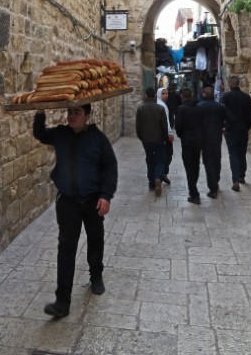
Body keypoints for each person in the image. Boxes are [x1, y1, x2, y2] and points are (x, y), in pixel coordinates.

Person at [33, 103, 118, 319]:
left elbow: (111, 167)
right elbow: (40, 134)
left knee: (95, 239)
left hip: (93, 202)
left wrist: (106, 196)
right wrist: (40, 112)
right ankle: (62, 301)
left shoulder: (98, 139)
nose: (72, 116)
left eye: (77, 113)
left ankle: (96, 275)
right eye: (70, 112)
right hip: (68, 202)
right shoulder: (61, 134)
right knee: (66, 248)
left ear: (87, 116)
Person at [197, 86, 234, 198]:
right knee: (216, 160)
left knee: (208, 162)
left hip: (204, 139)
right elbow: (232, 119)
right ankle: (216, 180)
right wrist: (224, 127)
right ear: (213, 94)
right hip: (217, 138)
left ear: (203, 94)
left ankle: (213, 187)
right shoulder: (221, 107)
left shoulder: (199, 107)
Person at [221, 75, 251, 192]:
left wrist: (223, 127)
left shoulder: (225, 97)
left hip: (230, 130)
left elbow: (223, 113)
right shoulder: (246, 97)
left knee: (233, 154)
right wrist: (247, 126)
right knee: (242, 153)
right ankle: (241, 175)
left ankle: (235, 179)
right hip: (243, 130)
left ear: (230, 84)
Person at [135, 86, 170, 196]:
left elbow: (138, 126)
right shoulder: (160, 109)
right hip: (159, 139)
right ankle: (158, 177)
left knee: (149, 160)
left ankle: (151, 184)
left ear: (145, 96)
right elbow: (164, 126)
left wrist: (141, 137)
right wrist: (165, 138)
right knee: (160, 160)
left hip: (146, 140)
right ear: (155, 96)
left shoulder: (141, 108)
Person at [174, 87, 204, 204]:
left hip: (187, 141)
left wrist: (181, 135)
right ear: (192, 95)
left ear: (182, 96)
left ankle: (194, 193)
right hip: (198, 140)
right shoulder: (199, 108)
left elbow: (178, 126)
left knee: (189, 167)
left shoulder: (181, 109)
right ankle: (194, 188)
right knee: (196, 165)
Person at [156, 87, 175, 185]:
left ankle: (161, 174)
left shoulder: (159, 104)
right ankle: (162, 174)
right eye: (163, 93)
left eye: (166, 93)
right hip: (164, 135)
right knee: (168, 154)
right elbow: (166, 121)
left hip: (158, 135)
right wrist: (170, 133)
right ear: (159, 94)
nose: (165, 95)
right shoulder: (162, 105)